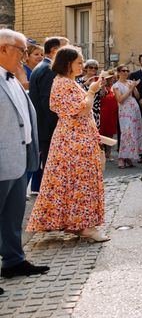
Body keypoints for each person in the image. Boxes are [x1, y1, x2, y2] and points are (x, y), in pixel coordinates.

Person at [26, 46, 109, 242]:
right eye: (79, 62)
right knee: (82, 181)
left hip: (75, 137)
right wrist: (91, 90)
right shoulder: (63, 83)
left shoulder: (66, 82)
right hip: (74, 140)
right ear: (67, 63)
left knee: (73, 181)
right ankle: (85, 227)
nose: (82, 65)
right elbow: (80, 110)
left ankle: (79, 224)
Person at [0, 29, 50, 290]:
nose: (25, 56)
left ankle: (13, 261)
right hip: (2, 160)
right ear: (4, 49)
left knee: (12, 216)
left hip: (19, 158)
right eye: (21, 50)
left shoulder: (13, 78)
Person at [28, 36, 69, 195]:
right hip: (49, 129)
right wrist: (61, 128)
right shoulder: (48, 69)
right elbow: (49, 104)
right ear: (54, 51)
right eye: (67, 49)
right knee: (50, 168)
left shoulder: (43, 67)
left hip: (46, 128)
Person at [112, 64, 142, 169]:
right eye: (123, 70)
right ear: (119, 72)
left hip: (134, 109)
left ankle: (129, 156)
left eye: (127, 70)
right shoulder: (116, 85)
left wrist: (134, 87)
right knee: (126, 133)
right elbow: (120, 100)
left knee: (134, 133)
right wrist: (130, 89)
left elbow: (138, 96)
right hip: (125, 111)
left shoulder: (130, 82)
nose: (126, 72)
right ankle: (121, 158)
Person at [99, 70, 118, 162]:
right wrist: (102, 85)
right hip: (102, 113)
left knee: (110, 133)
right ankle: (101, 153)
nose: (111, 79)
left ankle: (108, 154)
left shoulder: (114, 87)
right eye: (108, 78)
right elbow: (102, 95)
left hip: (112, 113)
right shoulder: (101, 87)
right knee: (102, 133)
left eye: (112, 78)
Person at [78, 60, 103, 127]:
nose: (93, 69)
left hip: (96, 109)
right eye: (91, 67)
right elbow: (76, 91)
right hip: (85, 108)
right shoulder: (80, 80)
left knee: (95, 129)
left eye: (95, 68)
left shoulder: (98, 80)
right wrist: (85, 84)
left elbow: (102, 95)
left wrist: (103, 87)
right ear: (86, 68)